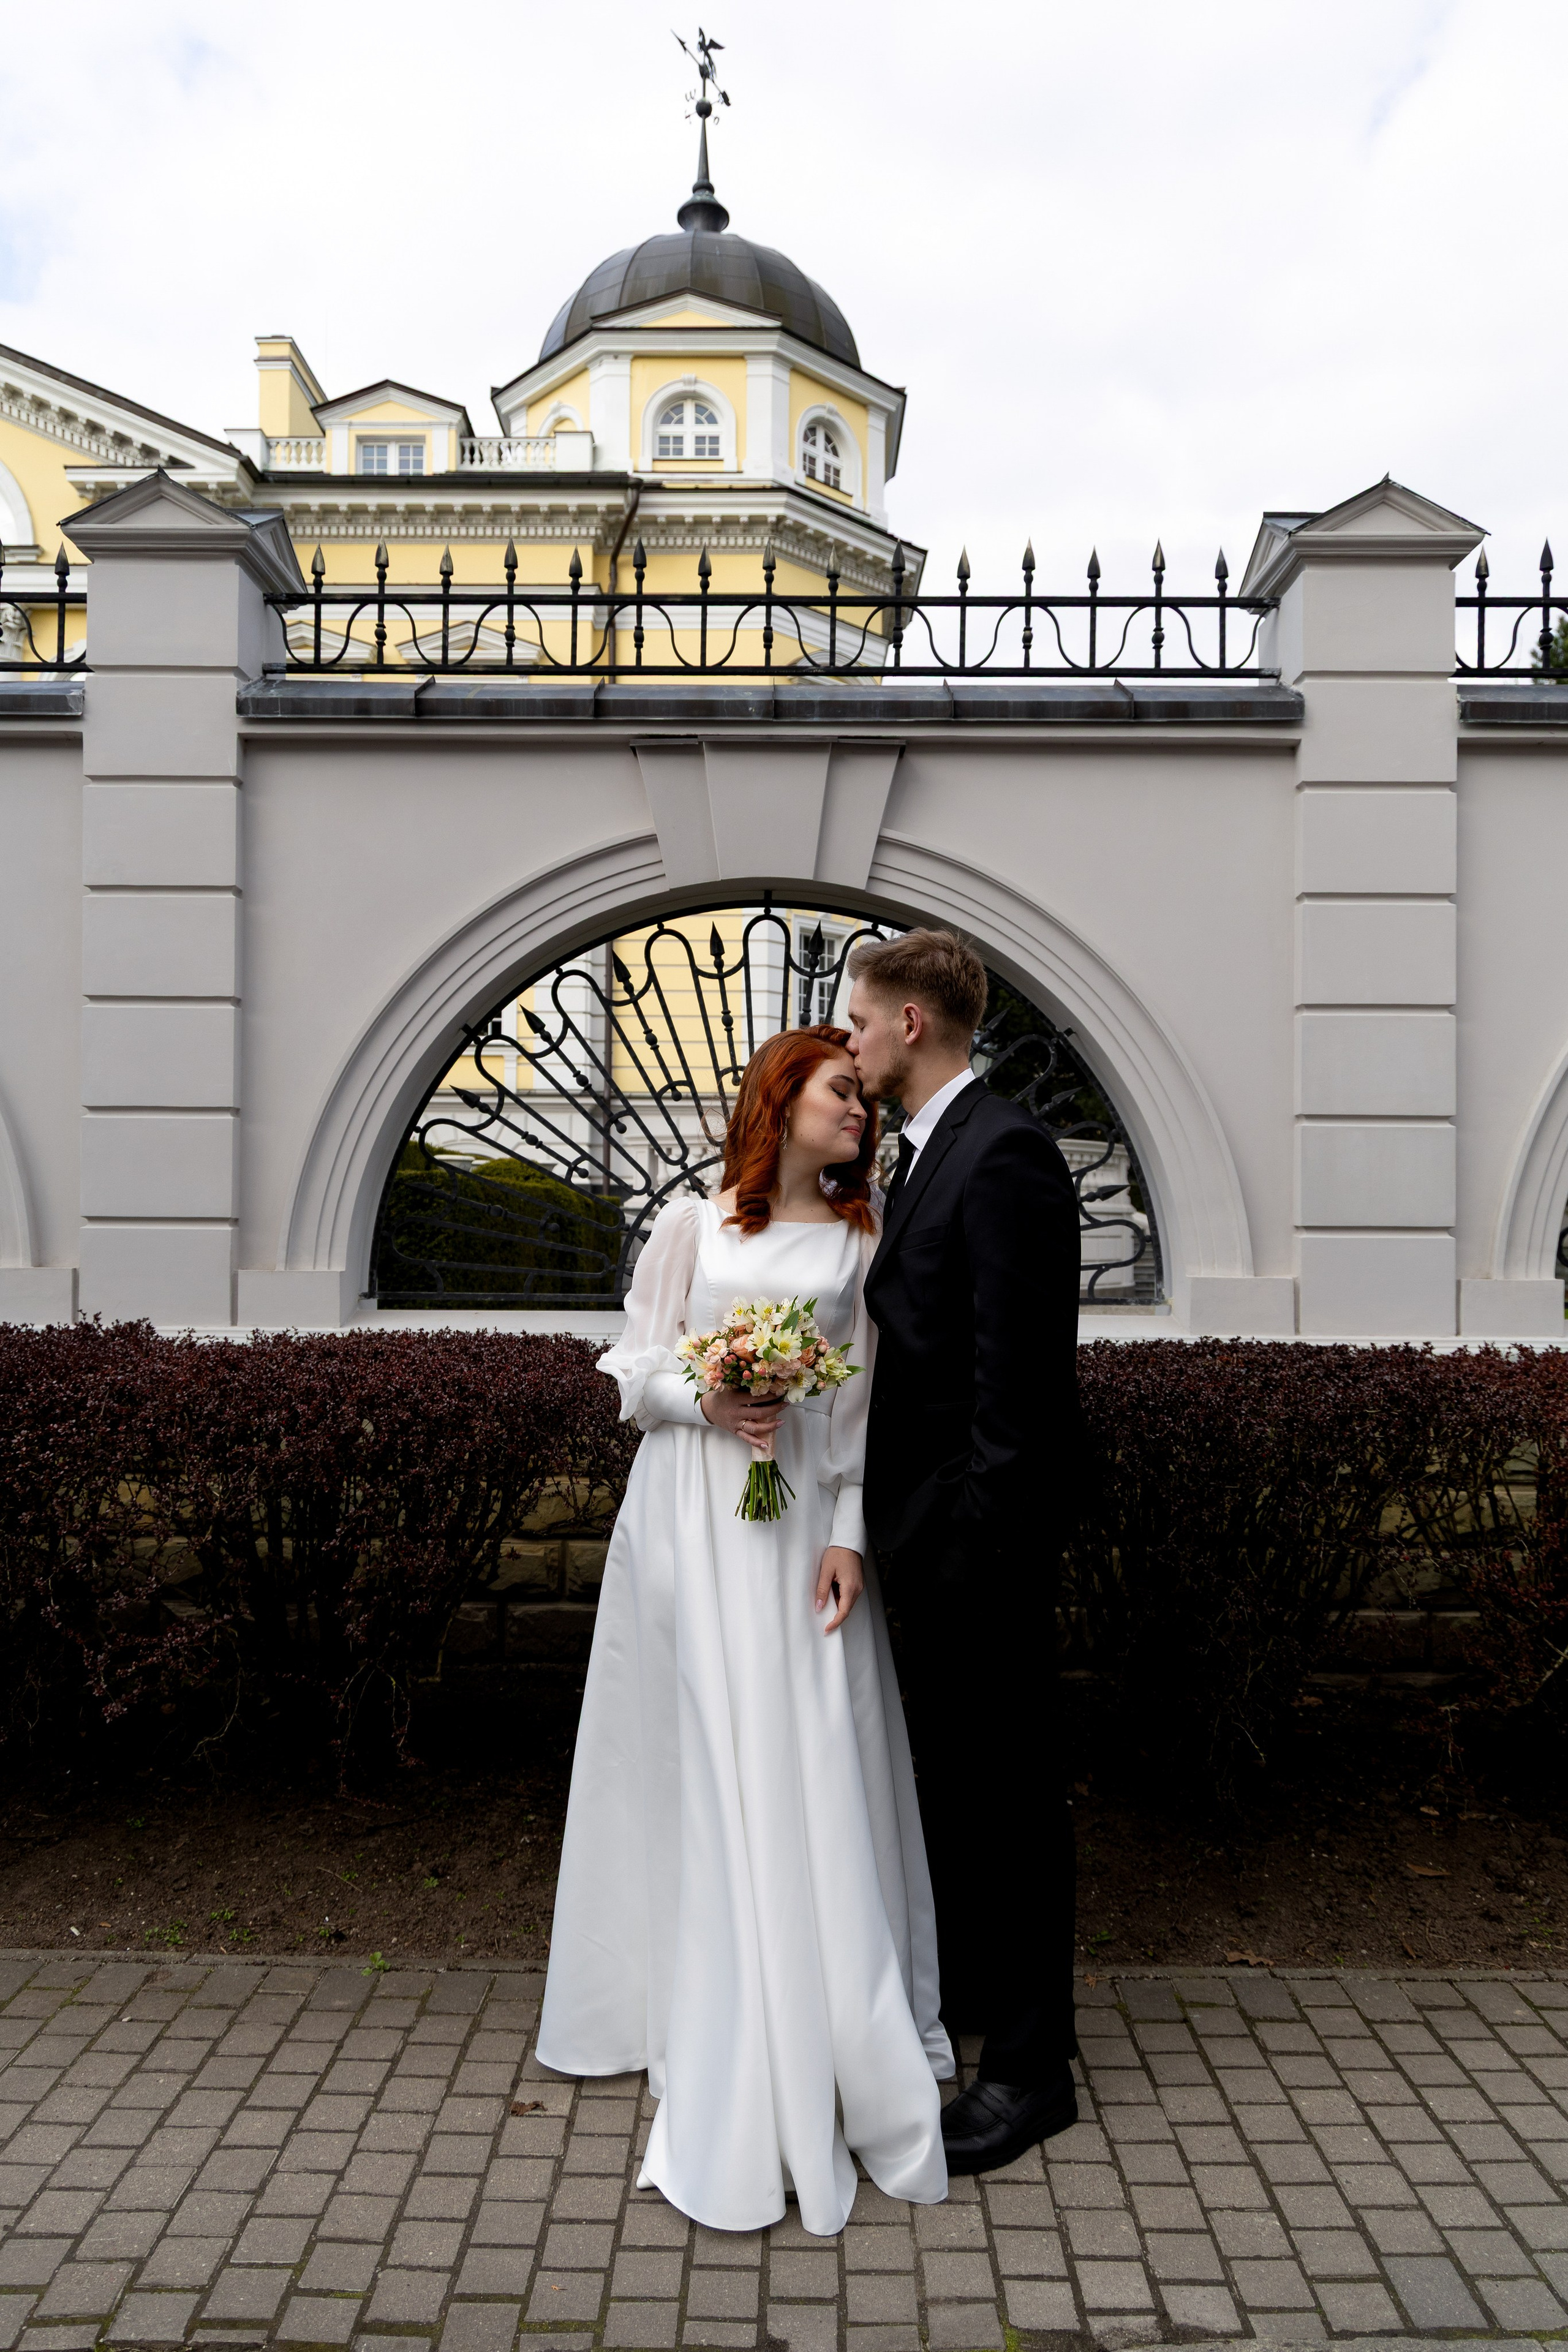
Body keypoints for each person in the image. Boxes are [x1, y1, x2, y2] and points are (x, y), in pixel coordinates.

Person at [537, 1023, 951, 2237]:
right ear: (781, 1099)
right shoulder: (692, 1224)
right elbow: (628, 1366)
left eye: (866, 1103)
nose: (860, 1116)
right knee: (700, 1760)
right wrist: (704, 1396)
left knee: (807, 1752)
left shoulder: (862, 1241)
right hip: (688, 1517)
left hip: (793, 1534)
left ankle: (822, 2010)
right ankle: (686, 2005)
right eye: (840, 1095)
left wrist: (848, 1530)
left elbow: (863, 1399)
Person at [845, 929, 1083, 2176]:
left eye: (859, 1020)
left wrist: (977, 1546)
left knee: (1010, 1806)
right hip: (924, 1540)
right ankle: (989, 2004)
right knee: (966, 1797)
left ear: (911, 1025)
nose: (851, 1040)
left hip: (971, 1551)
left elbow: (1019, 1387)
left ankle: (1033, 2075)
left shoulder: (1003, 1155)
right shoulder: (931, 1153)